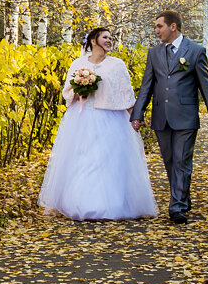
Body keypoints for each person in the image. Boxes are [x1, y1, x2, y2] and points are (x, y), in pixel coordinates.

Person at [38, 27, 157, 221]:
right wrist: (80, 88)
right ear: (94, 41)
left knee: (108, 161)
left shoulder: (117, 65)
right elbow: (67, 92)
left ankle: (109, 204)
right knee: (83, 159)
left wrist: (135, 116)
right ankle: (80, 203)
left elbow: (126, 93)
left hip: (111, 119)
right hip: (82, 118)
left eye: (111, 38)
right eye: (105, 37)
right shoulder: (78, 63)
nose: (109, 41)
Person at [130, 10, 208, 224]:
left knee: (182, 161)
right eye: (155, 27)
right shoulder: (154, 53)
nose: (156, 31)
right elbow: (147, 86)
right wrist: (138, 113)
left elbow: (205, 86)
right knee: (170, 161)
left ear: (173, 26)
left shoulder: (195, 51)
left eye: (159, 26)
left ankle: (177, 207)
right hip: (161, 116)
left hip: (185, 116)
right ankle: (182, 197)